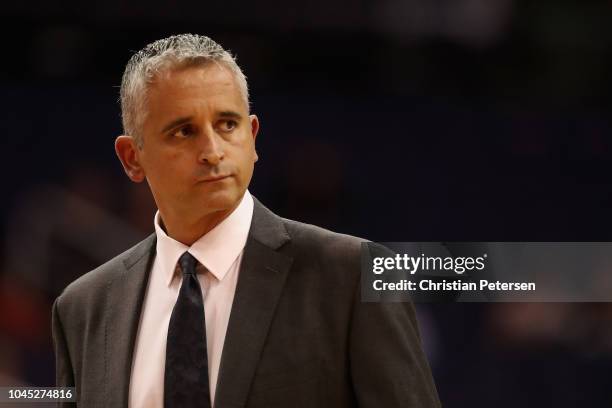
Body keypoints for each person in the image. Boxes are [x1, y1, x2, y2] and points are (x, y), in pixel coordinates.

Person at [51, 34, 440, 407]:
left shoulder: (352, 276)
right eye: (184, 131)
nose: (213, 151)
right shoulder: (83, 309)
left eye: (227, 124)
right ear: (132, 157)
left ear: (252, 138)